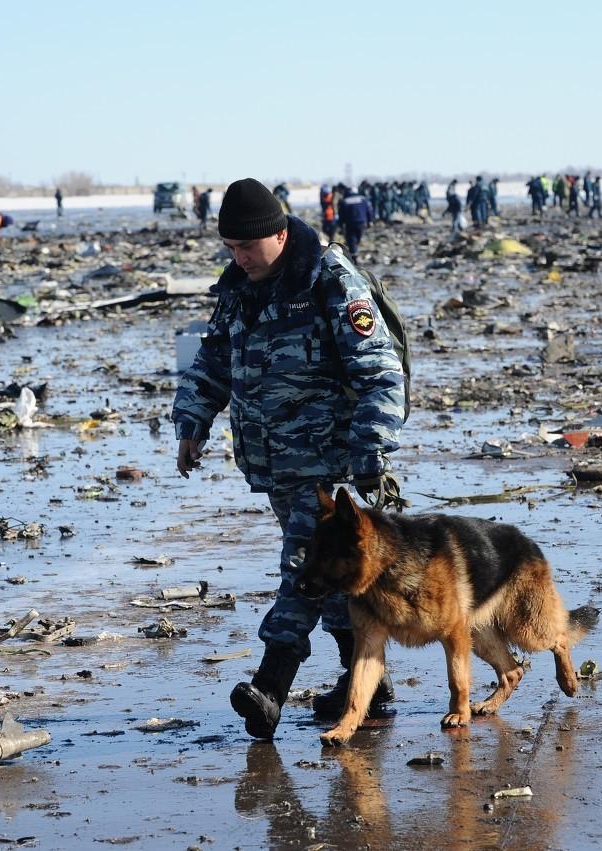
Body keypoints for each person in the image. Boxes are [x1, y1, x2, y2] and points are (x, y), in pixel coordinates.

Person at [171, 177, 404, 740]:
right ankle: (367, 687)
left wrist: (371, 447)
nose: (240, 257)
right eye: (230, 248)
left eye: (248, 247)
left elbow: (380, 371)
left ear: (279, 233)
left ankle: (271, 686)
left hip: (329, 464)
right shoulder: (239, 288)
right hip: (275, 461)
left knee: (304, 568)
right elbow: (214, 360)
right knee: (331, 583)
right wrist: (191, 424)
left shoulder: (329, 280)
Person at [336, 183, 373, 258]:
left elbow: (341, 215)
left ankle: (354, 256)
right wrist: (370, 221)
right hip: (361, 222)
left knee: (352, 239)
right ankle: (355, 252)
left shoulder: (344, 201)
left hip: (350, 223)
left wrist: (340, 225)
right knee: (357, 237)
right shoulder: (363, 199)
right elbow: (369, 210)